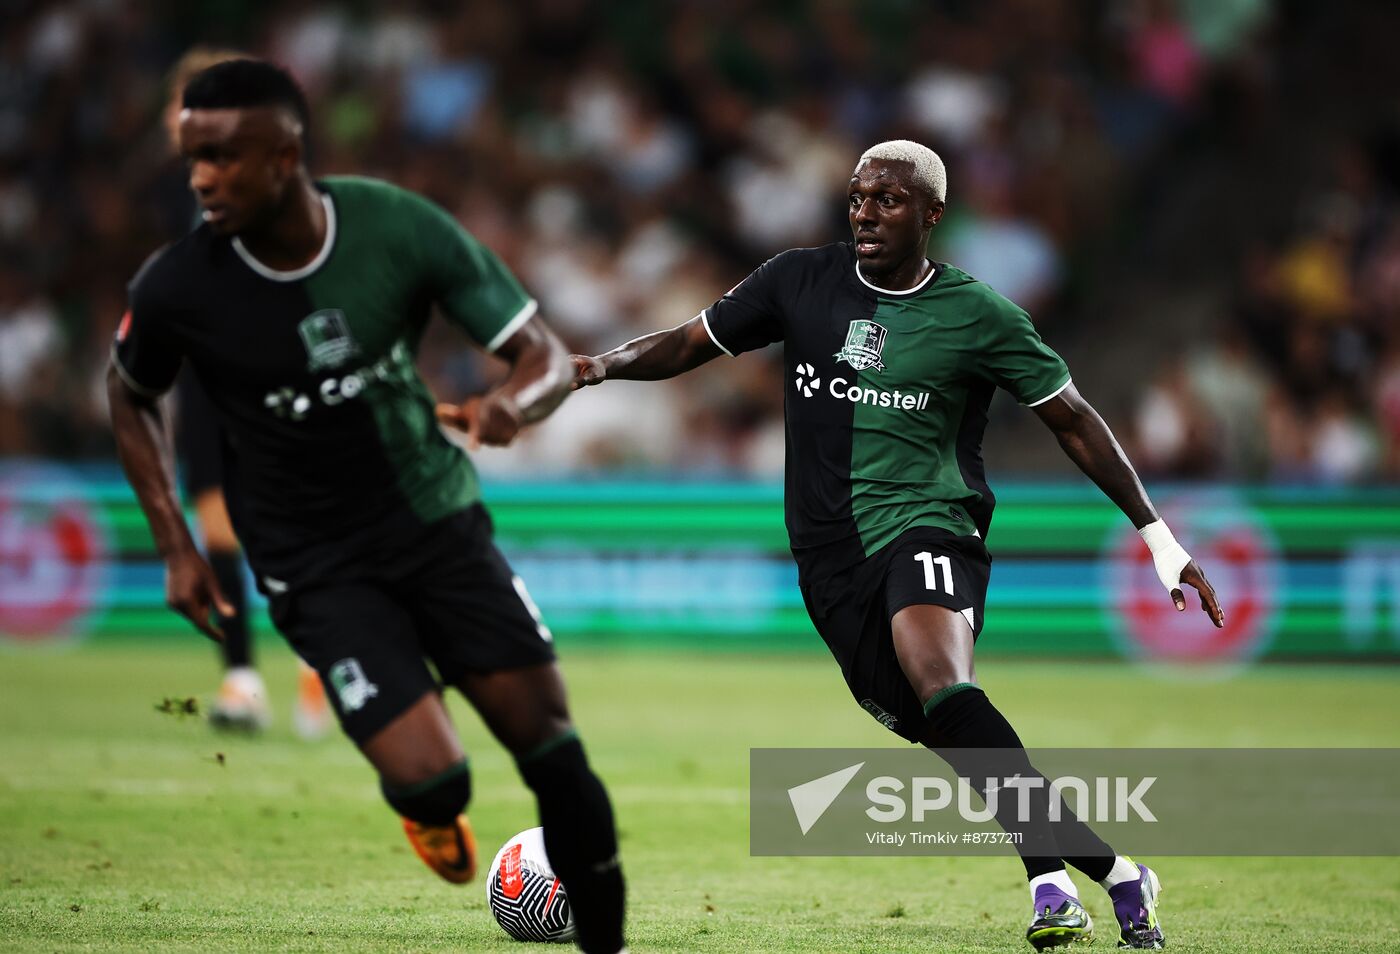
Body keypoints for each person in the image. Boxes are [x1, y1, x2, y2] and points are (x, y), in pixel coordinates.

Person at [574, 139, 1224, 951]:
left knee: (942, 680)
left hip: (931, 522)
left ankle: (1047, 884)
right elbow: (684, 344)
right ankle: (1118, 869)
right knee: (940, 723)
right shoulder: (796, 281)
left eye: (888, 199)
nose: (867, 213)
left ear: (932, 214)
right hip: (828, 557)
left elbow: (1074, 420)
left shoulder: (979, 314)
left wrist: (1158, 539)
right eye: (857, 197)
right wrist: (596, 368)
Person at [108, 59, 626, 954]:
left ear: (285, 155)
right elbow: (128, 393)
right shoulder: (175, 286)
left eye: (224, 156)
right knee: (437, 783)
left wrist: (514, 404)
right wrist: (177, 545)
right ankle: (423, 803)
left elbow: (540, 355)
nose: (200, 178)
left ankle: (606, 946)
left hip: (436, 523)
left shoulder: (394, 227)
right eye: (194, 157)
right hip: (314, 562)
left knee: (550, 745)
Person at [153, 46, 332, 737]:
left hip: (271, 362)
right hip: (204, 368)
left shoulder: (274, 178)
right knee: (216, 519)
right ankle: (243, 679)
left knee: (292, 517)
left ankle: (321, 655)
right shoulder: (187, 181)